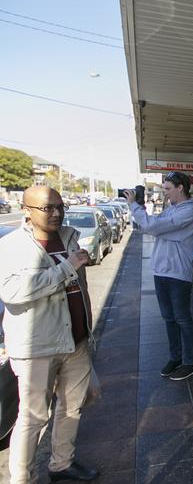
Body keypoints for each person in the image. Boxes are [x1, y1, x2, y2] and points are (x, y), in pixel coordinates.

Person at [0, 186, 98, 484]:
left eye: (59, 206)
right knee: (33, 418)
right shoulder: (13, 246)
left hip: (76, 342)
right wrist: (67, 267)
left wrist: (88, 329)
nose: (56, 213)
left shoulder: (69, 236)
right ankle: (22, 478)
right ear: (27, 210)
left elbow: (79, 290)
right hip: (37, 347)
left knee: (74, 406)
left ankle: (61, 465)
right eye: (47, 208)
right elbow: (12, 292)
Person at [125, 172, 193, 381]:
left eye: (167, 189)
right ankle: (175, 357)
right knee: (168, 318)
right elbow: (148, 227)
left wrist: (135, 206)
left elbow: (150, 226)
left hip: (178, 273)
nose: (165, 193)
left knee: (182, 318)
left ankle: (190, 361)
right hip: (161, 272)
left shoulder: (189, 213)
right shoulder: (171, 211)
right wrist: (152, 226)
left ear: (180, 188)